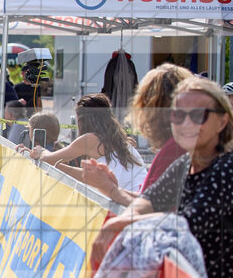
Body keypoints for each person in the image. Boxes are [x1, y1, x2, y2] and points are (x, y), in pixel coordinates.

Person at [91, 77, 233, 278]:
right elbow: (148, 200)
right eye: (178, 115)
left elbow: (187, 223)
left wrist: (117, 224)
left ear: (222, 121)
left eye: (199, 115)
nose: (187, 123)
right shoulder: (185, 163)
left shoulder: (226, 168)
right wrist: (121, 219)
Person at [82, 63, 193, 205]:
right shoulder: (181, 146)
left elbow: (148, 208)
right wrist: (112, 186)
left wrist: (108, 187)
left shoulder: (174, 150)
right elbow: (148, 199)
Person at [22, 93, 147, 192]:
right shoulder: (120, 139)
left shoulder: (90, 140)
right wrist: (56, 165)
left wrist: (40, 151)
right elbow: (87, 176)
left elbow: (49, 159)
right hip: (138, 197)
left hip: (122, 203)